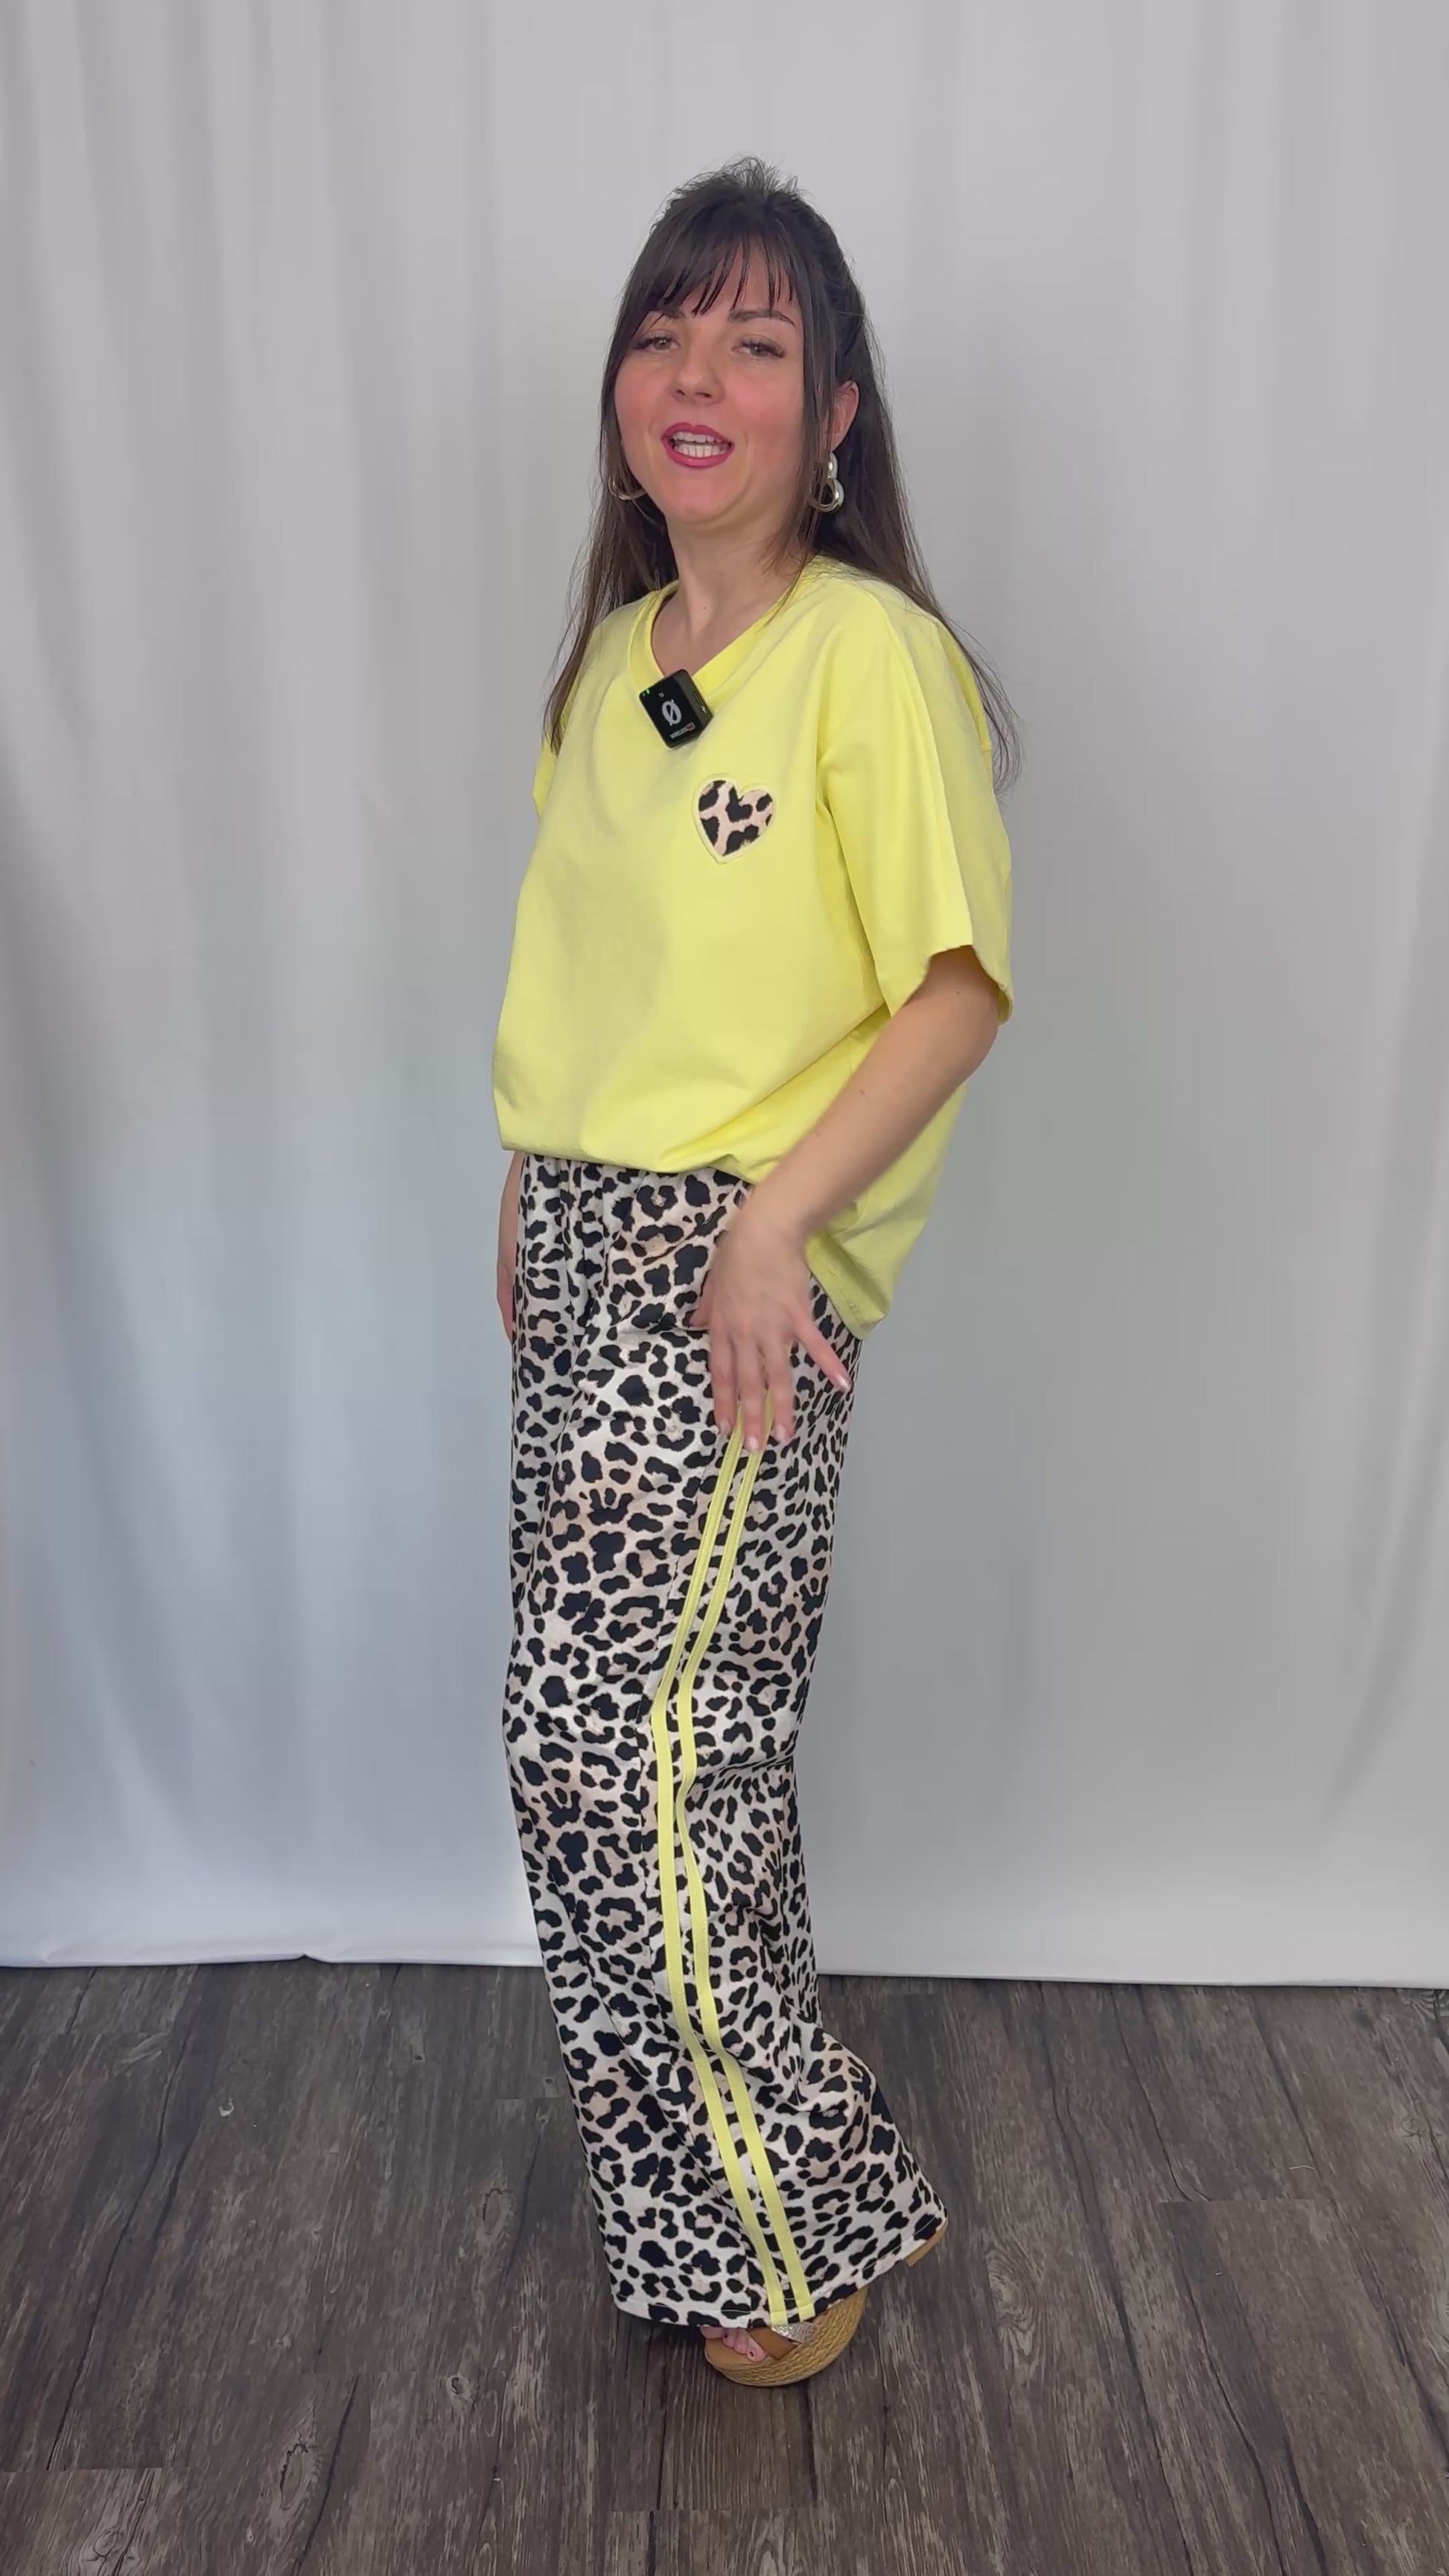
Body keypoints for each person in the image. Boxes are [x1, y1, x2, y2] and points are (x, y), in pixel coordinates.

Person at [490, 155, 1018, 2388]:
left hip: (737, 1271)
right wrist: (523, 1179)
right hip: (584, 1246)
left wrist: (775, 1222)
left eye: (757, 340)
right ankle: (707, 2210)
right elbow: (587, 972)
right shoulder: (616, 666)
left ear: (839, 415)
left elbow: (954, 988)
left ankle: (795, 2229)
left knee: (655, 1762)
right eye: (664, 329)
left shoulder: (870, 659)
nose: (697, 374)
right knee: (588, 1754)